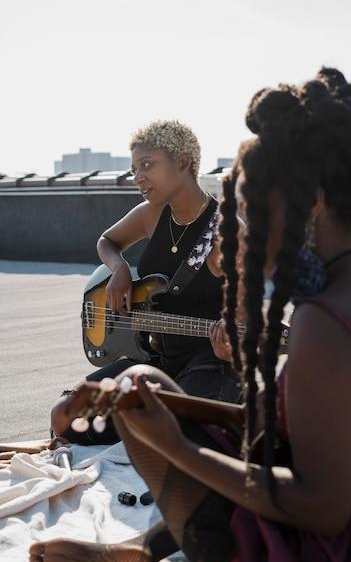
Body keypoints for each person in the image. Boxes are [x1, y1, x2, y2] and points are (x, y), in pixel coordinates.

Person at [30, 68, 351, 562]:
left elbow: (320, 508)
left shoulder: (324, 323)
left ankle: (144, 548)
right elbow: (310, 435)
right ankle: (141, 546)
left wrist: (179, 446)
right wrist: (173, 407)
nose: (239, 228)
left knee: (167, 431)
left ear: (314, 202)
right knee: (148, 389)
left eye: (249, 207)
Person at [50, 119, 242, 443]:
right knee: (67, 414)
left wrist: (232, 338)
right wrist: (120, 268)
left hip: (209, 364)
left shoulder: (227, 232)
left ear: (182, 163)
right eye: (134, 168)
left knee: (173, 432)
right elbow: (107, 241)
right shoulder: (151, 214)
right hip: (154, 360)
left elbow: (248, 307)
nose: (137, 177)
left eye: (147, 165)